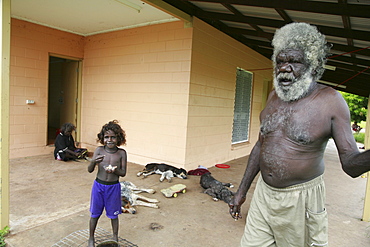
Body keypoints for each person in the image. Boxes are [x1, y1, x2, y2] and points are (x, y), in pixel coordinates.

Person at [228, 22, 370, 247]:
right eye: (280, 61)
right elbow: (260, 145)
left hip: (301, 200)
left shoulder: (331, 101)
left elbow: (351, 165)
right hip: (264, 195)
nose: (284, 68)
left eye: (294, 62)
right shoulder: (274, 96)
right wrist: (241, 191)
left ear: (312, 66)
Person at [87, 120, 127, 247]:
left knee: (114, 214)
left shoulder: (121, 153)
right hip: (99, 186)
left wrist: (115, 169)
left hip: (113, 187)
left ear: (118, 138)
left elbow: (123, 173)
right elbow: (90, 170)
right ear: (102, 138)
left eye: (113, 137)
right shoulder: (99, 150)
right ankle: (91, 238)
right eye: (106, 137)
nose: (110, 140)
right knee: (95, 213)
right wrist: (93, 161)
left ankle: (115, 237)